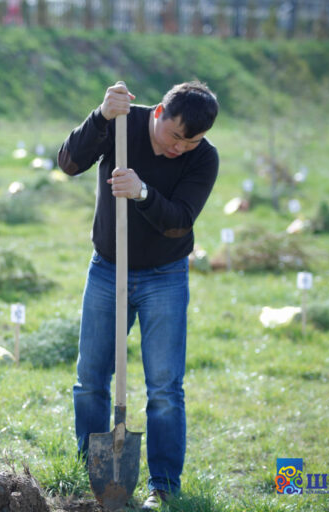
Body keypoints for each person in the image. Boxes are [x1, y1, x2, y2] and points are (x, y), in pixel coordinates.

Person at [57, 81, 220, 510]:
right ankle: (91, 471)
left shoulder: (204, 158)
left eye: (192, 141)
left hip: (165, 276)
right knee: (90, 379)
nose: (181, 148)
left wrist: (143, 192)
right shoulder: (121, 125)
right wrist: (100, 117)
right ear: (159, 114)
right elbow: (69, 163)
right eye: (176, 137)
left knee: (165, 387)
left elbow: (179, 222)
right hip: (108, 270)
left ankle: (163, 485)